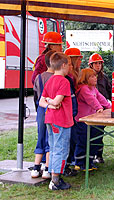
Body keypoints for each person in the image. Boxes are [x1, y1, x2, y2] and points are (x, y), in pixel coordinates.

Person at [39, 52, 73, 190]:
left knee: (53, 148)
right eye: (69, 65)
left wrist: (49, 103)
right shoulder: (64, 81)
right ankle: (56, 181)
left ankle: (53, 175)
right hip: (62, 120)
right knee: (61, 149)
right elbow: (58, 100)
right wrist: (53, 102)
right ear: (63, 65)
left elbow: (41, 101)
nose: (70, 68)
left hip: (50, 119)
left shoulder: (49, 80)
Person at [74, 68, 111, 171]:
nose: (95, 78)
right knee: (83, 141)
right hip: (82, 121)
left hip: (91, 120)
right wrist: (99, 108)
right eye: (92, 76)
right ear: (85, 78)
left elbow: (100, 98)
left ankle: (89, 161)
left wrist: (108, 106)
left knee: (94, 139)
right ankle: (80, 162)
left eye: (95, 76)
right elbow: (92, 100)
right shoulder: (84, 88)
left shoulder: (93, 88)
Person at [30, 50, 56, 179]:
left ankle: (35, 167)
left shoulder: (39, 77)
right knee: (50, 138)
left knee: (41, 136)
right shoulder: (57, 78)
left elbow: (36, 94)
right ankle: (47, 167)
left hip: (41, 109)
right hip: (52, 108)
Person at [88, 53, 111, 163]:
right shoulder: (86, 76)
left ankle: (99, 155)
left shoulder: (104, 78)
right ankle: (90, 157)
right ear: (91, 65)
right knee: (91, 134)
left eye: (99, 63)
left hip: (102, 110)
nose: (98, 65)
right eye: (95, 63)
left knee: (99, 133)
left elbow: (109, 92)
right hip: (89, 111)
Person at [62, 48, 82, 176]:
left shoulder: (75, 74)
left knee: (74, 138)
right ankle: (68, 164)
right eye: (79, 58)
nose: (81, 61)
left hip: (74, 113)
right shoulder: (69, 77)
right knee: (70, 140)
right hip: (71, 114)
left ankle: (71, 162)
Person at [32, 32, 63, 111]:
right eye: (59, 45)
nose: (61, 47)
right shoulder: (43, 59)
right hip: (46, 100)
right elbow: (35, 78)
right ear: (51, 46)